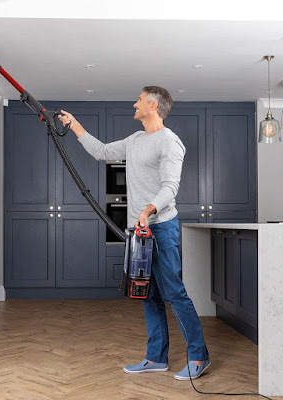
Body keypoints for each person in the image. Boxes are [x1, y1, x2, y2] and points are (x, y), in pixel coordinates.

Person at [58, 86, 210, 380]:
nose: (134, 103)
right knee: (146, 293)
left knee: (175, 292)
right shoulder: (136, 140)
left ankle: (199, 356)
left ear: (152, 105)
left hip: (161, 227)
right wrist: (74, 124)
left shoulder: (169, 142)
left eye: (139, 100)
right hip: (136, 230)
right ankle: (156, 358)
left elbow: (170, 187)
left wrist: (149, 210)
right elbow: (101, 152)